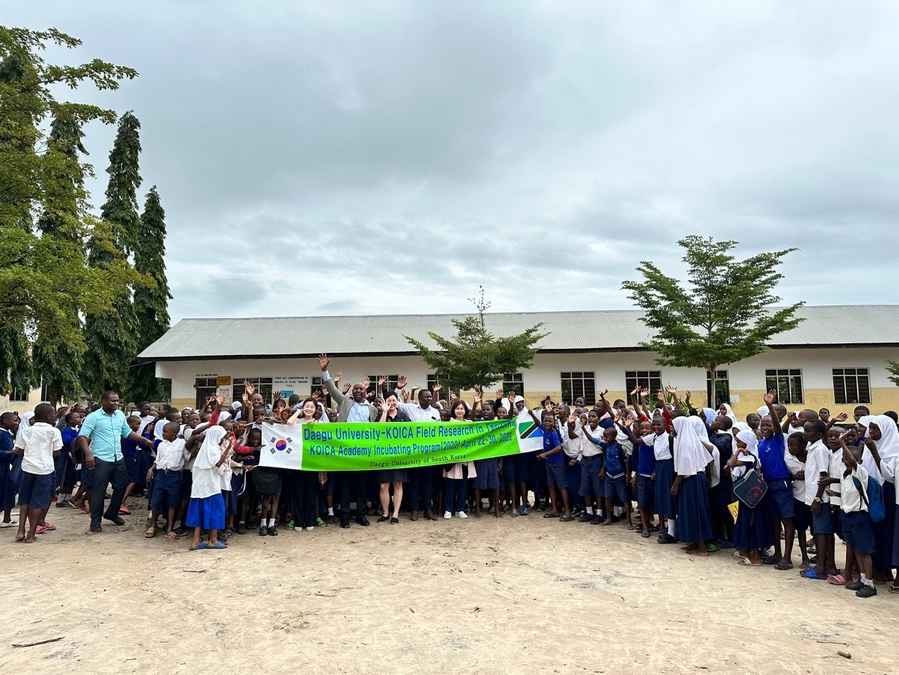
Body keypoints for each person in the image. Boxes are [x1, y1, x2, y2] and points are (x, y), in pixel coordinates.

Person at [78, 391, 154, 533]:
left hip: (117, 458)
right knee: (99, 491)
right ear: (104, 401)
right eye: (113, 401)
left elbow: (127, 432)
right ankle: (95, 521)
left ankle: (112, 513)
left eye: (117, 401)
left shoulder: (120, 415)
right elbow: (82, 436)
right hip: (101, 458)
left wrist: (144, 440)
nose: (116, 403)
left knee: (121, 487)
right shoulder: (93, 417)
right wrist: (88, 453)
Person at [319, 353, 378, 528]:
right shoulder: (345, 401)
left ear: (366, 392)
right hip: (345, 451)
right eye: (356, 389)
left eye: (362, 389)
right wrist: (325, 371)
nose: (359, 391)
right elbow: (331, 389)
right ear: (352, 392)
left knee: (361, 485)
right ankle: (344, 516)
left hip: (362, 452)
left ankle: (361, 514)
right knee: (344, 485)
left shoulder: (373, 409)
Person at [393, 374, 442, 521]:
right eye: (426, 397)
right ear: (419, 398)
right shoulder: (410, 408)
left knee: (428, 483)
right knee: (414, 482)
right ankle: (414, 510)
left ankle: (427, 509)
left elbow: (440, 432)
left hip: (429, 454)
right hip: (414, 453)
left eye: (429, 397)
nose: (428, 399)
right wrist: (397, 389)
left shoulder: (435, 412)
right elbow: (395, 402)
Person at [756, 390, 795, 569]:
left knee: (787, 519)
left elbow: (778, 427)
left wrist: (769, 405)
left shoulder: (778, 439)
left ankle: (787, 557)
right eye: (762, 425)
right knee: (774, 520)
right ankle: (777, 553)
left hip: (781, 482)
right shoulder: (761, 444)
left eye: (768, 425)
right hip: (768, 485)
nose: (765, 428)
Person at [836, 435, 877, 597]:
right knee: (856, 549)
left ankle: (870, 583)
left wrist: (841, 443)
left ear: (859, 460)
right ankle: (861, 578)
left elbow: (851, 461)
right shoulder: (844, 475)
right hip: (847, 515)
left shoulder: (860, 472)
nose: (848, 461)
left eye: (853, 459)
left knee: (864, 550)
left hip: (860, 517)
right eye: (845, 458)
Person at [14, 403, 62, 543]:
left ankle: (20, 530)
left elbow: (19, 451)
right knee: (38, 501)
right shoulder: (53, 431)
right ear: (48, 416)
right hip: (45, 469)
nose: (54, 416)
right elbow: (57, 452)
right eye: (53, 414)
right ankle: (31, 535)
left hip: (27, 468)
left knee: (25, 500)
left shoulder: (26, 431)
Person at [670, 414, 714, 556]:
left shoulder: (686, 443)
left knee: (696, 511)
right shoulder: (687, 440)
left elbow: (685, 467)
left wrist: (675, 485)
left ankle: (702, 547)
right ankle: (695, 542)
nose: (672, 428)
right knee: (690, 511)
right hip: (694, 479)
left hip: (692, 480)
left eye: (673, 426)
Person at [184, 424, 229, 550]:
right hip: (211, 488)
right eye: (222, 437)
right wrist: (226, 451)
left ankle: (196, 541)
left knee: (198, 513)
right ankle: (213, 540)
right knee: (216, 512)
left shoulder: (203, 450)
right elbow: (218, 465)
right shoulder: (214, 450)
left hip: (198, 488)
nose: (222, 440)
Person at [145, 422, 186, 540]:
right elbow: (158, 460)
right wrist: (151, 469)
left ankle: (169, 528)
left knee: (172, 502)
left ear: (175, 433)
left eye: (166, 431)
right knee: (155, 500)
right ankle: (153, 525)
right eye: (163, 431)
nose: (163, 434)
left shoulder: (182, 444)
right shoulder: (162, 445)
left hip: (174, 475)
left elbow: (186, 457)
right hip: (161, 475)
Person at [375, 393, 409, 524]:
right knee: (383, 486)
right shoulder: (380, 415)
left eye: (394, 400)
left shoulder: (403, 416)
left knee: (398, 483)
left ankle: (395, 514)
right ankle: (385, 512)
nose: (392, 403)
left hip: (399, 455)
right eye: (389, 401)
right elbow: (378, 431)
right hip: (383, 455)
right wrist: (384, 412)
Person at [536, 408, 573, 522]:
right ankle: (555, 510)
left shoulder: (553, 434)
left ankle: (567, 511)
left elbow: (559, 447)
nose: (547, 423)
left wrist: (545, 454)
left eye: (550, 421)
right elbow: (538, 423)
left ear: (554, 423)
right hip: (549, 463)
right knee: (551, 486)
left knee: (561, 486)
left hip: (557, 463)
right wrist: (532, 414)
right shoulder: (544, 428)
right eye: (545, 421)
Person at [0, 412, 20, 528]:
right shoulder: (1, 434)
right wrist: (10, 452)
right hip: (1, 466)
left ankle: (7, 519)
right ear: (6, 421)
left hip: (6, 467)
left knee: (9, 491)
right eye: (15, 420)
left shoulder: (8, 434)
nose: (17, 423)